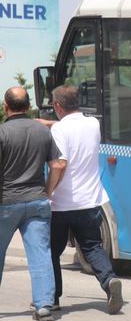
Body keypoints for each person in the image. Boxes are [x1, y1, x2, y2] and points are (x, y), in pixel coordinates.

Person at [44, 85, 124, 315]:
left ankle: (53, 297)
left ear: (57, 106)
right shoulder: (92, 124)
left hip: (62, 203)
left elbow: (60, 164)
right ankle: (109, 281)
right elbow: (74, 129)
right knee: (92, 246)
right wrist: (49, 124)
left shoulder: (59, 130)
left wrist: (47, 193)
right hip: (91, 200)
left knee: (51, 252)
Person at [0, 87, 66, 321]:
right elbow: (58, 165)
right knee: (40, 254)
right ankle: (44, 306)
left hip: (6, 202)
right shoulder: (43, 132)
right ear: (28, 107)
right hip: (37, 201)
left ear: (6, 106)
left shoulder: (2, 133)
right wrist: (47, 191)